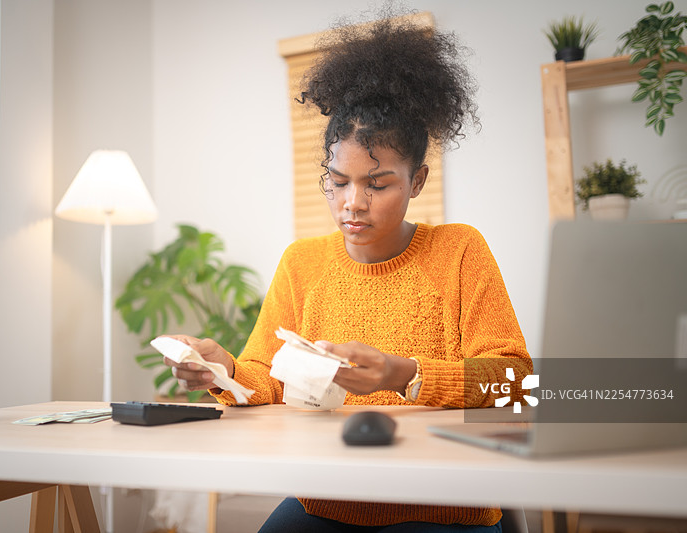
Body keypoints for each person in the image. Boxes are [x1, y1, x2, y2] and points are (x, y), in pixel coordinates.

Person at [164, 12, 531, 533]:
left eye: (377, 185)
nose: (352, 204)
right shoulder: (302, 263)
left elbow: (516, 382)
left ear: (418, 180)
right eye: (338, 182)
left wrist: (403, 374)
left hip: (446, 506)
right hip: (329, 500)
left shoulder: (459, 251)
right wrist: (223, 369)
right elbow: (265, 380)